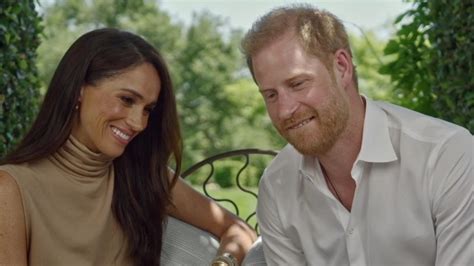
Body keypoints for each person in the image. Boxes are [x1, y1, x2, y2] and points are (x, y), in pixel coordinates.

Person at [0, 28, 256, 265]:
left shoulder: (140, 174)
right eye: (126, 99)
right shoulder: (11, 189)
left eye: (148, 110)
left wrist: (223, 263)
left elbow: (238, 230)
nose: (138, 123)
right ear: (78, 90)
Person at [241, 4, 473, 265]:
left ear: (341, 67)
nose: (284, 111)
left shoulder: (446, 155)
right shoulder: (276, 186)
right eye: (270, 95)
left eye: (297, 84)